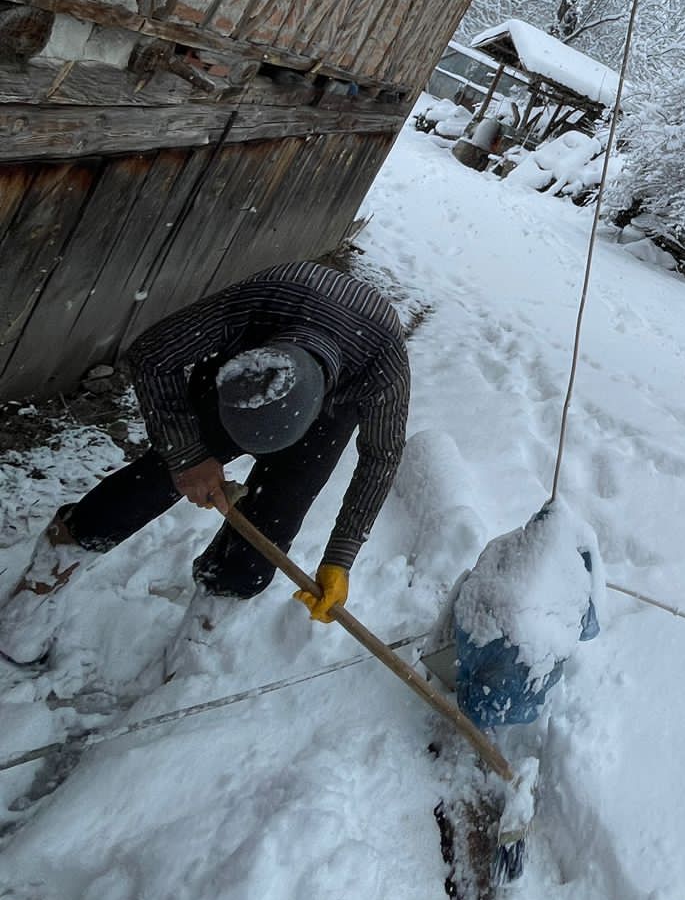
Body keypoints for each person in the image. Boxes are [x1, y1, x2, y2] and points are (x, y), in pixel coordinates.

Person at [0, 262, 411, 668]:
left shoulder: (384, 367)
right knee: (158, 476)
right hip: (253, 359)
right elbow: (151, 355)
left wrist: (340, 557)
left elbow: (382, 456)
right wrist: (187, 456)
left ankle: (204, 632)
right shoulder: (256, 300)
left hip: (336, 395)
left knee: (276, 514)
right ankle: (35, 595)